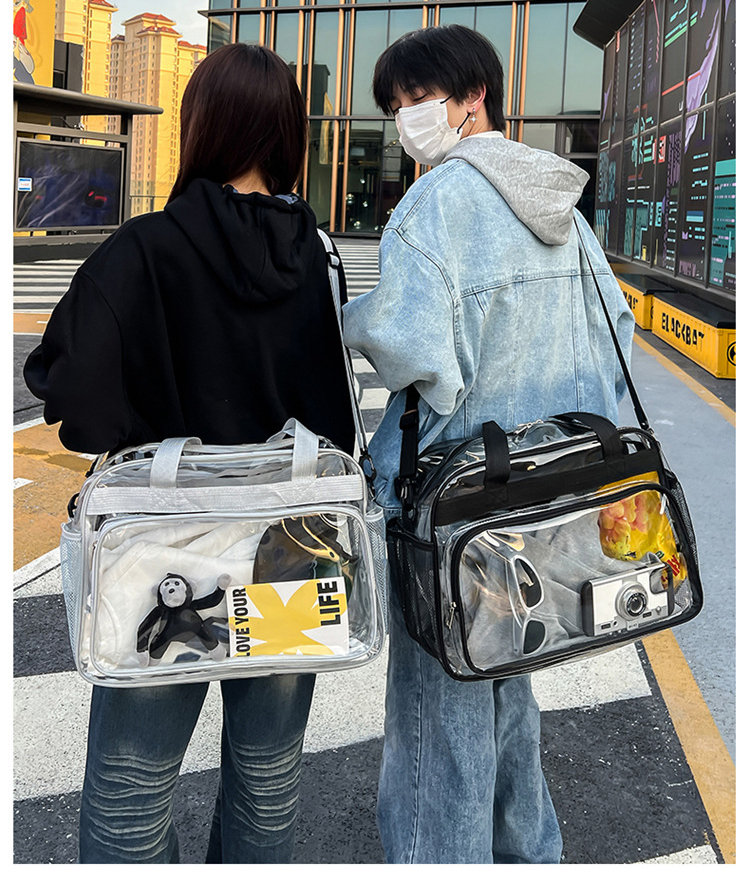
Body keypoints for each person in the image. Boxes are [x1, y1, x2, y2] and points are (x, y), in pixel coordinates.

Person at [24, 42, 354, 864]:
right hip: (291, 549)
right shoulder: (316, 256)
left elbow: (70, 398)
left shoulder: (145, 250)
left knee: (133, 789)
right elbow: (338, 418)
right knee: (268, 779)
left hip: (162, 556)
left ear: (200, 127)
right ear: (287, 134)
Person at [342, 25, 634, 864]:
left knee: (438, 708)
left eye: (420, 98)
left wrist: (350, 319)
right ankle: (528, 854)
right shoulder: (560, 206)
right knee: (507, 673)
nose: (408, 118)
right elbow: (614, 332)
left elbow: (411, 352)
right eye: (396, 106)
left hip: (457, 502)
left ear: (475, 96)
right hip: (550, 495)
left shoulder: (437, 204)